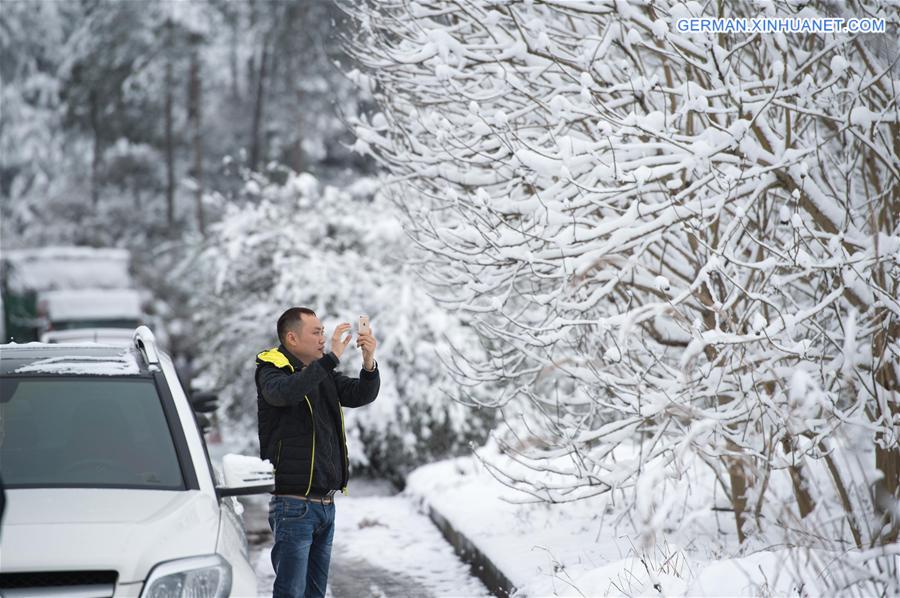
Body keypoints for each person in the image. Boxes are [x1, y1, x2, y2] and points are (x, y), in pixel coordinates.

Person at [256, 307, 380, 598]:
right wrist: (330, 360)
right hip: (294, 506)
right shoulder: (271, 370)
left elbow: (361, 394)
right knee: (292, 593)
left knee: (315, 594)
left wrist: (368, 362)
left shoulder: (322, 374)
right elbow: (285, 393)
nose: (323, 338)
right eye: (316, 332)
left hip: (325, 505)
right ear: (291, 338)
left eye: (323, 332)